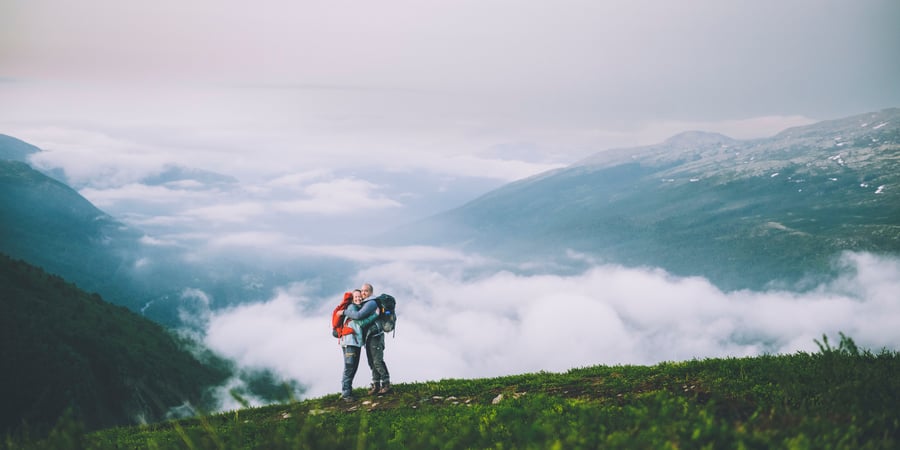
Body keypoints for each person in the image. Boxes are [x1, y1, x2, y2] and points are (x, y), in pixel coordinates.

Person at [343, 283, 391, 395]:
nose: (363, 293)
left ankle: (386, 384)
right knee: (371, 362)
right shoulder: (365, 303)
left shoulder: (371, 303)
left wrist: (345, 312)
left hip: (375, 336)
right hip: (369, 336)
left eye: (366, 291)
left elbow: (359, 316)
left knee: (377, 361)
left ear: (371, 292)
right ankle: (376, 385)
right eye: (362, 290)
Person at [336, 289, 379, 402]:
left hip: (354, 342)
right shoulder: (352, 308)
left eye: (360, 296)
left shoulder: (355, 308)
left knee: (352, 367)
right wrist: (375, 315)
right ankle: (346, 394)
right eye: (356, 296)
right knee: (350, 367)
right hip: (350, 342)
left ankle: (346, 392)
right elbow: (360, 322)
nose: (358, 298)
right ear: (352, 298)